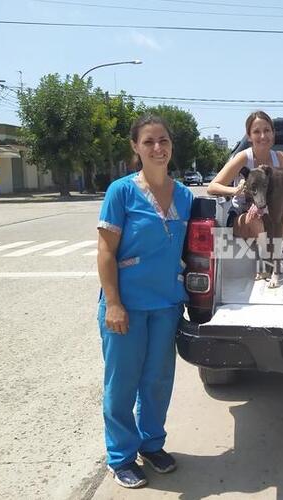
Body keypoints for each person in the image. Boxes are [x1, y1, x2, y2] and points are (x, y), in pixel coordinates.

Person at [96, 115, 194, 488]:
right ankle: (120, 456)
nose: (158, 147)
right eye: (149, 141)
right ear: (135, 147)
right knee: (122, 384)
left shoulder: (185, 195)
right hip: (127, 306)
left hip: (166, 304)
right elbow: (106, 251)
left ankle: (151, 444)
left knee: (157, 381)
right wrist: (115, 303)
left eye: (163, 140)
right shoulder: (120, 191)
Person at [207, 111, 283, 268]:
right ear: (249, 136)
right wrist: (236, 190)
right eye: (257, 132)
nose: (263, 136)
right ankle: (267, 259)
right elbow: (212, 187)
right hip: (243, 217)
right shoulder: (243, 158)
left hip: (271, 215)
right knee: (254, 219)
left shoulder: (280, 158)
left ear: (273, 133)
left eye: (267, 130)